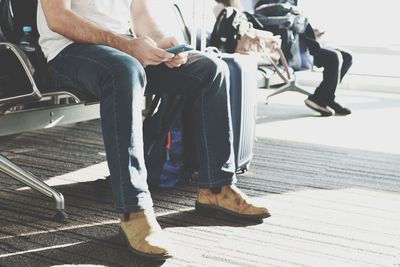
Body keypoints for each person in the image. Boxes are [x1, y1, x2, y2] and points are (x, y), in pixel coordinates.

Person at [38, 0, 270, 260]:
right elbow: (58, 18)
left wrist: (162, 42)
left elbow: (141, 14)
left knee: (210, 69)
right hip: (69, 51)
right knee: (124, 70)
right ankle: (134, 210)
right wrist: (126, 45)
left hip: (121, 49)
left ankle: (217, 188)